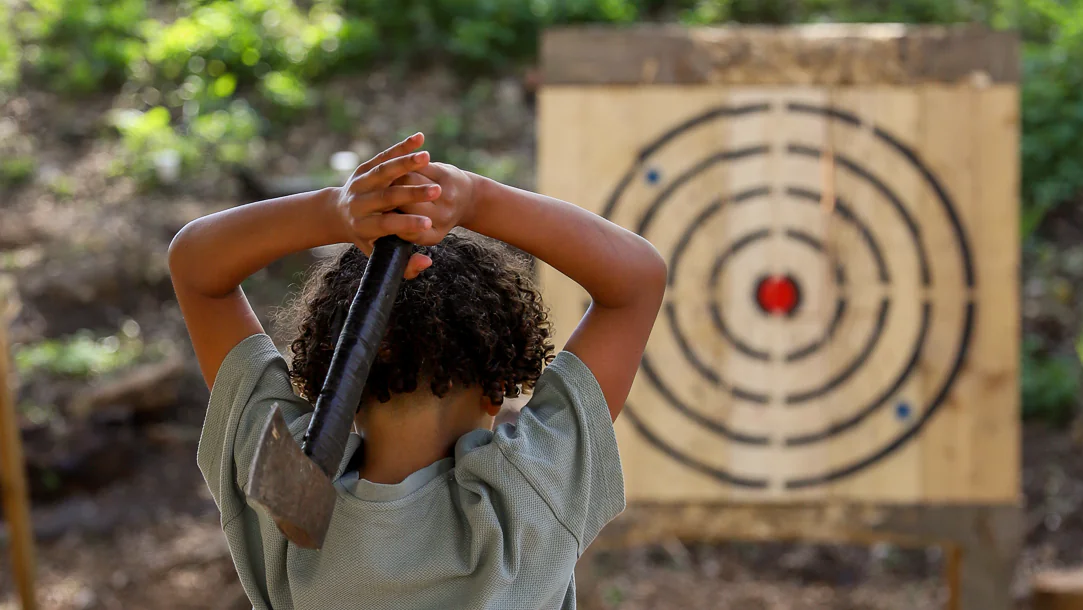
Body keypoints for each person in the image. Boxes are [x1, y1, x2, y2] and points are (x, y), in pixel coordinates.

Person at [168, 133, 666, 609]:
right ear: (497, 388)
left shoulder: (284, 489)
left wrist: (334, 212)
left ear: (334, 375)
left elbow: (195, 266)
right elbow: (638, 280)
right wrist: (477, 199)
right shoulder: (526, 497)